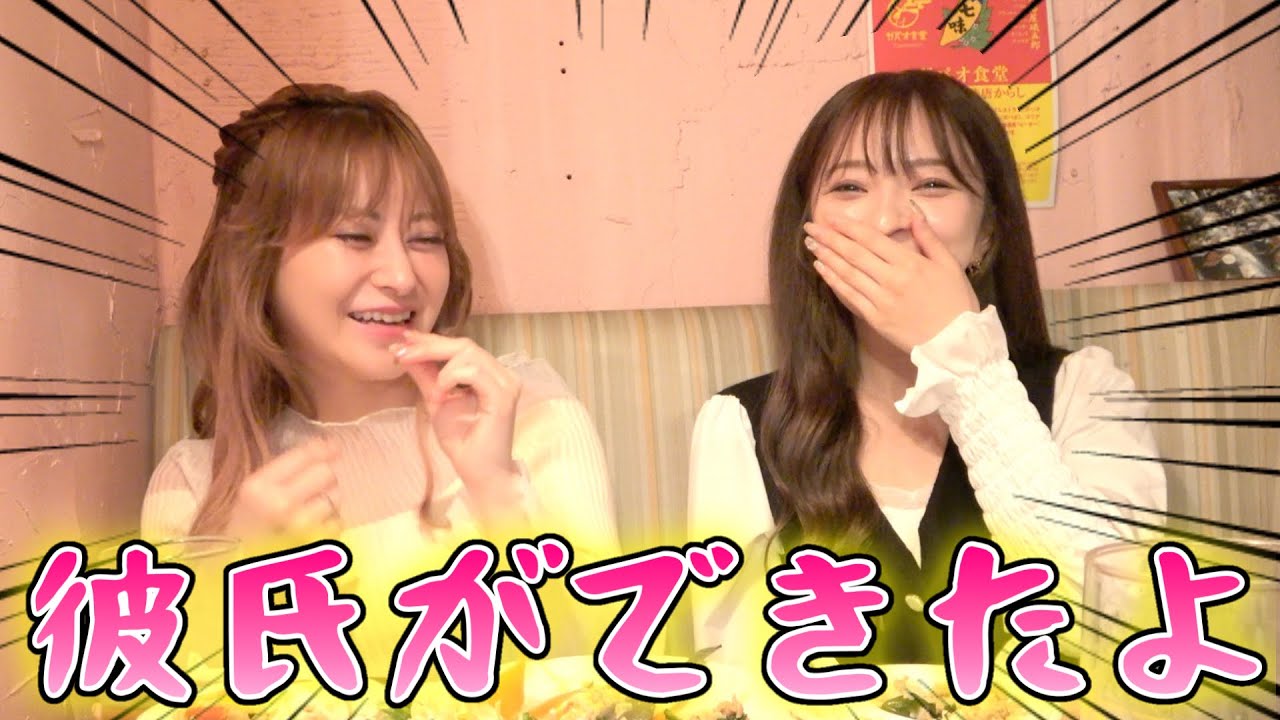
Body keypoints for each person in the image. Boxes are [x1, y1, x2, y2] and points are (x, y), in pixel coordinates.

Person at [687, 70, 1166, 667]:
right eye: (850, 186)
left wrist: (965, 364)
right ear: (808, 233)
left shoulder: (1085, 391)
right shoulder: (741, 423)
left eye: (933, 183)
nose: (889, 218)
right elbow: (728, 673)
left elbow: (1117, 626)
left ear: (987, 234)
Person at [139, 85, 619, 642]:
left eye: (426, 238)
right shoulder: (195, 484)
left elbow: (606, 667)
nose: (402, 276)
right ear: (256, 264)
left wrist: (498, 491)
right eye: (355, 235)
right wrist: (231, 577)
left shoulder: (528, 415)